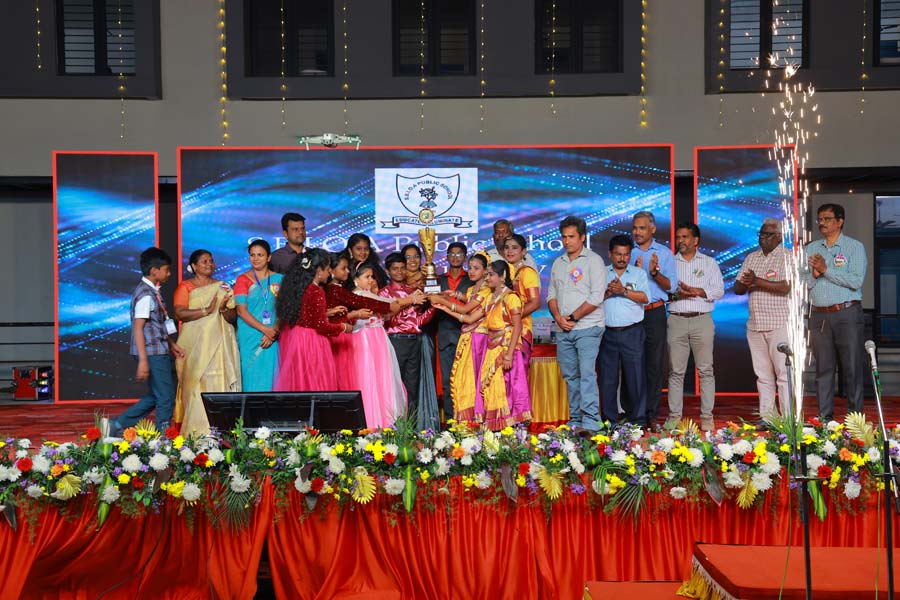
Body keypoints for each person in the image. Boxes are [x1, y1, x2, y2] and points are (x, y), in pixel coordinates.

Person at [802, 203, 867, 421]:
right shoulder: (811, 248)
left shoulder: (854, 247)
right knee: (823, 369)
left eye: (827, 219)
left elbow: (856, 281)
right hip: (819, 315)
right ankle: (825, 420)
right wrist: (814, 274)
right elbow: (803, 283)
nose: (822, 223)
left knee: (852, 368)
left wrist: (826, 270)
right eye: (820, 219)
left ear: (840, 221)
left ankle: (855, 420)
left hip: (847, 313)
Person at [111, 247, 185, 435]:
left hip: (157, 350)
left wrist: (172, 344)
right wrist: (143, 360)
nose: (169, 273)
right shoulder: (145, 295)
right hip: (152, 353)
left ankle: (118, 424)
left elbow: (156, 325)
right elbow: (138, 327)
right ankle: (164, 437)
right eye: (166, 270)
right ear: (154, 271)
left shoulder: (152, 291)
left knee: (157, 394)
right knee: (166, 397)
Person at [547, 216, 607, 432]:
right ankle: (575, 420)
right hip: (563, 329)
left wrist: (572, 318)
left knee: (587, 374)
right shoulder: (558, 262)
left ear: (582, 237)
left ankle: (591, 421)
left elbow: (597, 296)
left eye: (571, 237)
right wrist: (558, 317)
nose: (567, 241)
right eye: (564, 237)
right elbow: (551, 295)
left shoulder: (593, 261)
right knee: (570, 376)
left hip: (588, 327)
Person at [173, 249, 241, 436]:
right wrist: (206, 310)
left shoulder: (223, 287)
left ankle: (222, 433)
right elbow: (179, 313)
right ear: (194, 266)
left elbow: (233, 317)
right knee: (196, 384)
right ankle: (196, 434)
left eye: (211, 261)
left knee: (220, 381)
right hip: (195, 346)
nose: (209, 264)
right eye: (204, 261)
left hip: (220, 346)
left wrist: (222, 309)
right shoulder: (186, 287)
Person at [665, 223, 724, 432]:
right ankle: (674, 417)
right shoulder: (669, 263)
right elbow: (662, 293)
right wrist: (679, 295)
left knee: (706, 370)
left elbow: (719, 291)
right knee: (675, 371)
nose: (680, 240)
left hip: (702, 320)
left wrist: (698, 291)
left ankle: (707, 417)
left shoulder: (709, 262)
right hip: (677, 319)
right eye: (678, 237)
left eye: (685, 237)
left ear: (696, 240)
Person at [734, 218, 793, 420]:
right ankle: (768, 418)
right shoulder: (752, 258)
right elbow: (738, 288)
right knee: (763, 376)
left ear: (779, 237)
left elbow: (786, 286)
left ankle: (788, 420)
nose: (762, 238)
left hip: (779, 324)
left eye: (767, 234)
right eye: (760, 234)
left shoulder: (787, 257)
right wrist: (745, 283)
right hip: (755, 324)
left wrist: (757, 281)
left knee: (784, 375)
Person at [275, 248, 352, 392]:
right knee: (315, 383)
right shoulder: (316, 291)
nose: (329, 273)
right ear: (319, 271)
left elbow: (305, 315)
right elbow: (321, 326)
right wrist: (343, 327)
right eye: (328, 269)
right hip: (311, 341)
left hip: (294, 337)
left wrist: (326, 312)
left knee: (299, 382)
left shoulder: (296, 287)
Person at [430, 252, 491, 422]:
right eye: (470, 268)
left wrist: (443, 302)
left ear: (486, 271)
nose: (471, 271)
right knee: (460, 380)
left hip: (479, 340)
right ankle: (461, 420)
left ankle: (479, 419)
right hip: (467, 337)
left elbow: (465, 311)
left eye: (476, 268)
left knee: (476, 380)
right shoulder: (472, 289)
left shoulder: (486, 290)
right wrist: (451, 297)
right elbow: (466, 302)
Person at [348, 264, 411, 428]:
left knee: (382, 378)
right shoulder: (359, 295)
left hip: (378, 339)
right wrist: (412, 299)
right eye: (366, 277)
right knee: (369, 378)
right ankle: (372, 421)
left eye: (372, 277)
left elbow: (389, 309)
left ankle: (385, 421)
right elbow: (390, 304)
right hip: (366, 339)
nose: (371, 280)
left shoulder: (370, 295)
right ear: (355, 280)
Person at [630, 210, 677, 427]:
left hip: (655, 312)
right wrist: (636, 273)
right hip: (632, 312)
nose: (637, 232)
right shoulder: (627, 252)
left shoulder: (664, 253)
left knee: (654, 365)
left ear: (653, 229)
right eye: (635, 228)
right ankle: (634, 414)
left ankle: (651, 414)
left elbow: (672, 287)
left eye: (642, 228)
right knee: (632, 365)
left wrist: (655, 273)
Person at [379, 252, 436, 429]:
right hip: (395, 341)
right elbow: (387, 317)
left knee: (412, 387)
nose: (399, 272)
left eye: (402, 268)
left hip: (414, 341)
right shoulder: (384, 293)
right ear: (387, 271)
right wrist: (408, 301)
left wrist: (435, 305)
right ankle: (394, 427)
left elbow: (419, 321)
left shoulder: (414, 291)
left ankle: (410, 429)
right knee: (395, 385)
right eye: (395, 269)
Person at [599, 234, 650, 426]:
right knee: (608, 379)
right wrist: (608, 293)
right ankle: (609, 422)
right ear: (610, 254)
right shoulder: (601, 273)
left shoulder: (638, 274)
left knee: (636, 378)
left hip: (632, 332)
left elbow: (645, 298)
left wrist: (623, 291)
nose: (622, 258)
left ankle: (638, 421)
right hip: (606, 333)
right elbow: (592, 300)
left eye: (626, 254)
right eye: (618, 254)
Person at [477, 261, 531, 429]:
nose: (487, 278)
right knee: (491, 388)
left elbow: (518, 326)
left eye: (491, 274)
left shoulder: (511, 297)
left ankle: (510, 429)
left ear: (503, 277)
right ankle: (494, 428)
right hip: (492, 346)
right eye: (486, 275)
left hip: (507, 347)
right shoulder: (490, 298)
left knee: (508, 389)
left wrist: (508, 355)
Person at [234, 240, 283, 392]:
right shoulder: (242, 279)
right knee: (251, 376)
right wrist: (265, 330)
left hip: (274, 334)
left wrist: (274, 330)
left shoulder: (280, 279)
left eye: (260, 255)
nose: (255, 259)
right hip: (251, 334)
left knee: (272, 376)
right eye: (252, 255)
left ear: (269, 257)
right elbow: (241, 311)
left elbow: (283, 309)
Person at [435, 242, 474, 420]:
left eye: (459, 254)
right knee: (447, 381)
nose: (455, 257)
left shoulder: (472, 280)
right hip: (444, 335)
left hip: (466, 334)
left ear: (465, 257)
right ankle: (451, 421)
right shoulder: (438, 280)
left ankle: (467, 420)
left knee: (466, 379)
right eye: (452, 254)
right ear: (447, 257)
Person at [504, 233, 541, 361]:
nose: (509, 251)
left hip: (521, 330)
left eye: (514, 248)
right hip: (502, 330)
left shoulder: (527, 272)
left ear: (523, 252)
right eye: (507, 247)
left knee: (517, 370)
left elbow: (535, 302)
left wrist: (511, 318)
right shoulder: (503, 274)